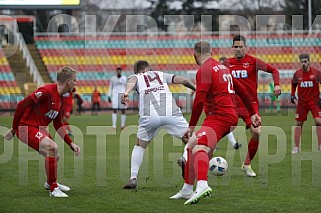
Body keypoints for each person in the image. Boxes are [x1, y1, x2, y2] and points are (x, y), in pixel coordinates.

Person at [170, 41, 261, 205]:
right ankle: (187, 189)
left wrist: (191, 126)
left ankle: (203, 185)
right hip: (225, 116)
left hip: (219, 116)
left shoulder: (204, 70)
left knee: (199, 148)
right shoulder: (222, 67)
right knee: (191, 146)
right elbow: (241, 90)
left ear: (195, 55)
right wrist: (253, 113)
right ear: (210, 52)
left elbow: (198, 101)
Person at [4, 66, 81, 198]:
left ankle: (50, 182)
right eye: (75, 80)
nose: (76, 83)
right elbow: (22, 104)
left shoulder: (61, 98)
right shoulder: (46, 91)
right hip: (25, 127)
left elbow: (58, 124)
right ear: (68, 82)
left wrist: (70, 143)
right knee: (52, 148)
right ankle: (53, 188)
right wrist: (14, 128)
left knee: (54, 154)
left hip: (39, 129)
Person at [121, 60, 196, 189]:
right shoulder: (160, 74)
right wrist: (197, 89)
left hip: (149, 117)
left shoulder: (136, 77)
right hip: (170, 113)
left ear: (136, 71)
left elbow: (131, 81)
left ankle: (133, 178)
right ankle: (184, 158)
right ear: (148, 68)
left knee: (139, 145)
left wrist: (127, 92)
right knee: (192, 139)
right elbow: (184, 81)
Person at [223, 35, 281, 177]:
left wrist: (277, 84)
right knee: (219, 131)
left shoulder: (253, 62)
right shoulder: (226, 64)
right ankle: (203, 158)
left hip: (251, 106)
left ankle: (247, 164)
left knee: (256, 132)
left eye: (240, 46)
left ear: (246, 47)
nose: (238, 49)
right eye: (235, 47)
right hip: (232, 105)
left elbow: (274, 70)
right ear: (232, 48)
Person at [290, 53, 321, 154]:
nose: (303, 63)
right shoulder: (297, 74)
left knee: (318, 121)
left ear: (309, 62)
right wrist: (292, 95)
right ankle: (296, 147)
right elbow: (293, 84)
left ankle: (320, 145)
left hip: (314, 101)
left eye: (305, 61)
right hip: (302, 103)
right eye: (302, 62)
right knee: (299, 124)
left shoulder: (316, 73)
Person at [219, 56, 242, 149]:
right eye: (220, 64)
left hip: (228, 104)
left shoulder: (229, 75)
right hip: (218, 105)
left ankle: (210, 142)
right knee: (223, 125)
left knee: (225, 125)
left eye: (223, 64)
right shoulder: (220, 74)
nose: (221, 66)